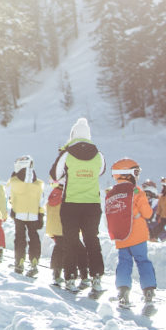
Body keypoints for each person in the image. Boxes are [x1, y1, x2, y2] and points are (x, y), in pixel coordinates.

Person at [49, 117, 106, 292]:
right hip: (92, 204)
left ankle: (70, 278)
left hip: (71, 204)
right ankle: (96, 277)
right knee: (92, 239)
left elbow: (54, 176)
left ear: (73, 135)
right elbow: (101, 172)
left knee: (70, 240)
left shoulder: (67, 154)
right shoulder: (99, 155)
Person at [106, 158, 157, 308]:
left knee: (124, 263)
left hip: (121, 236)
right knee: (142, 261)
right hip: (138, 236)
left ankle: (123, 291)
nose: (137, 176)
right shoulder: (136, 191)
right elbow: (147, 214)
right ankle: (148, 291)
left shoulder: (111, 193)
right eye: (135, 172)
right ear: (127, 174)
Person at [9, 155, 45, 276]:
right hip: (34, 214)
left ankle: (19, 261)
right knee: (34, 237)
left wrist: (13, 208)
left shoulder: (14, 181)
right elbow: (42, 200)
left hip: (19, 213)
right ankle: (34, 261)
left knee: (20, 238)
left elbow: (12, 198)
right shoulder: (39, 184)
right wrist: (41, 214)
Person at [45, 179, 77, 288]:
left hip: (55, 228)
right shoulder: (68, 196)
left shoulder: (53, 194)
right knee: (68, 250)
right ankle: (69, 276)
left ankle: (56, 272)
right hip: (65, 227)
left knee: (59, 248)